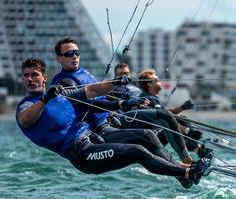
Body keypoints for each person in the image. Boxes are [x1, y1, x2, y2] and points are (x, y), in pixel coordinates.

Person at [16, 57, 210, 188]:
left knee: (146, 135)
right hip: (81, 154)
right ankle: (187, 173)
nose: (30, 79)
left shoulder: (61, 94)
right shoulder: (26, 106)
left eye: (34, 75)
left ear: (44, 77)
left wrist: (117, 82)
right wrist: (44, 99)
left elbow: (93, 91)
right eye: (26, 75)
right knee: (136, 151)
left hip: (95, 138)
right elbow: (26, 121)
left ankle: (184, 171)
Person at [50, 38, 182, 160]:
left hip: (114, 118)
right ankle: (182, 170)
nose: (74, 56)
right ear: (59, 58)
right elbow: (90, 104)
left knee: (165, 116)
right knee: (147, 135)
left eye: (77, 52)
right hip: (100, 128)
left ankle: (187, 161)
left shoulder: (83, 72)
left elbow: (100, 95)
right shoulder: (63, 81)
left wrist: (127, 99)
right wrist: (121, 103)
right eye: (69, 54)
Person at [112, 64, 206, 161]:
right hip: (143, 138)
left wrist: (183, 107)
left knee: (181, 118)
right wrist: (187, 131)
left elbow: (166, 113)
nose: (125, 76)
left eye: (127, 73)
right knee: (175, 125)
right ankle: (195, 153)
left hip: (152, 133)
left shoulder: (144, 95)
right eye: (121, 74)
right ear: (148, 84)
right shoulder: (146, 98)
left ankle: (197, 149)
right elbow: (164, 117)